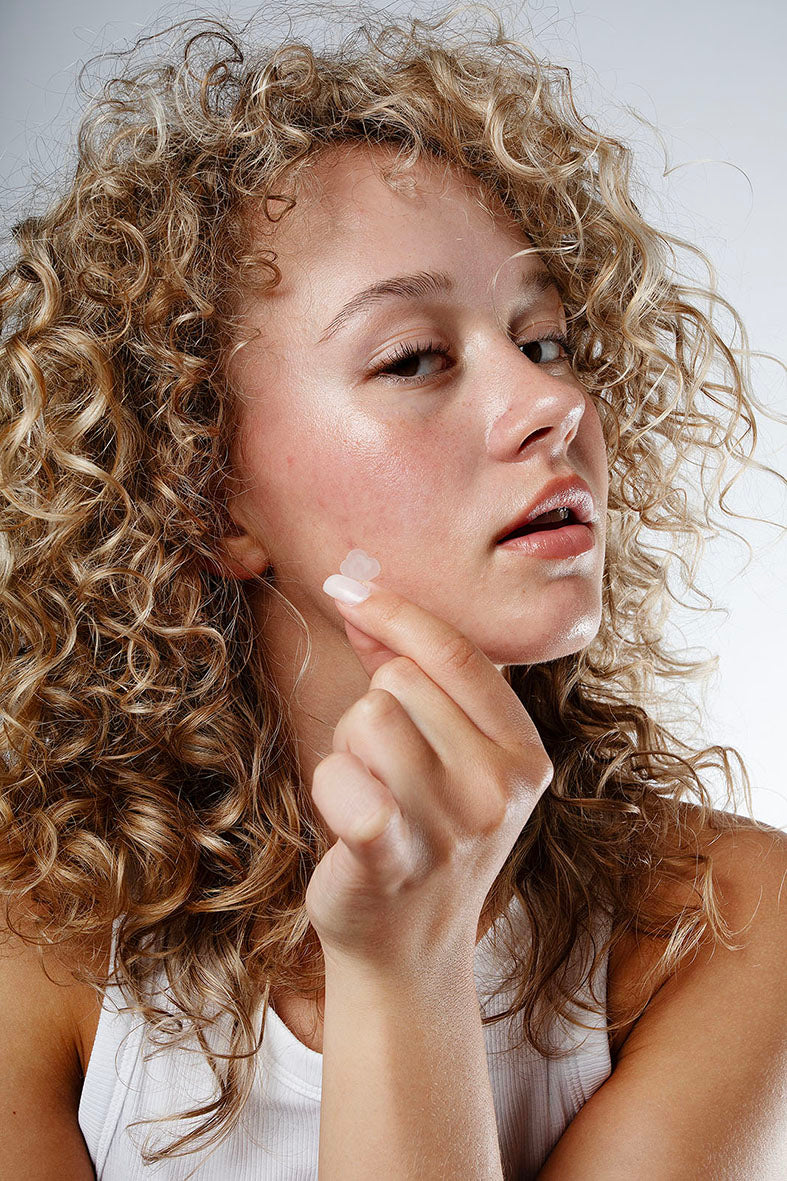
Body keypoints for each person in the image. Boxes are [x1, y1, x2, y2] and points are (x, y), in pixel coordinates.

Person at [0, 4, 784, 1179]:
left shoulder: (730, 916)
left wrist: (407, 966)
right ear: (206, 493)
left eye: (548, 341)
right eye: (416, 357)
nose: (549, 403)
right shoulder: (37, 940)